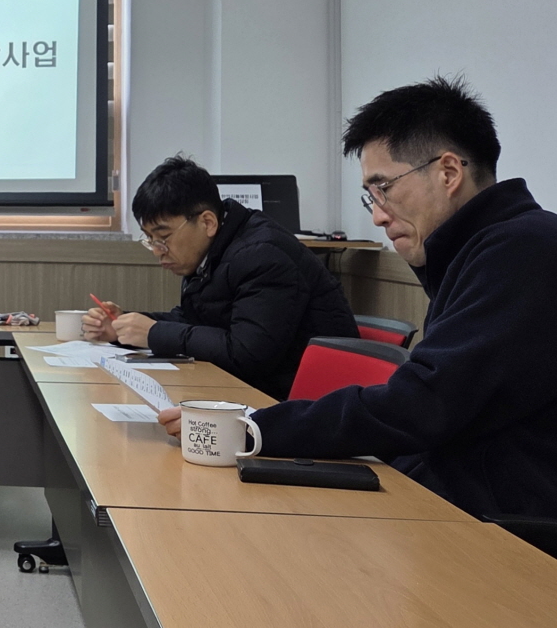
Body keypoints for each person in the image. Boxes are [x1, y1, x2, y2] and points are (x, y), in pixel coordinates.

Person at [161, 78, 557, 521]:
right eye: (371, 196)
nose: (377, 215)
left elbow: (422, 405)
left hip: (511, 532)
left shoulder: (523, 250)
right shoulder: (483, 249)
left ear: (448, 173)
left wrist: (254, 428)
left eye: (384, 188)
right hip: (459, 499)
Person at [84, 155, 355, 399]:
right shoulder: (213, 249)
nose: (157, 250)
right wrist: (124, 326)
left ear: (207, 222)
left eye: (163, 237)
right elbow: (193, 320)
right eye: (150, 239)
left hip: (308, 406)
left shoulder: (264, 254)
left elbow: (247, 354)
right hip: (253, 391)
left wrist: (153, 333)